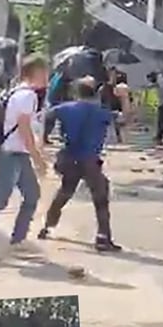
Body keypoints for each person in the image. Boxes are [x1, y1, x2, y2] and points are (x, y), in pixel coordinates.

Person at [0, 54, 50, 261]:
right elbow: (24, 129)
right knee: (0, 199)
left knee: (31, 195)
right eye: (45, 71)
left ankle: (18, 240)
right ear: (37, 72)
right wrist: (38, 158)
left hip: (16, 153)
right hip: (11, 153)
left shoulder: (16, 91)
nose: (48, 76)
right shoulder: (27, 95)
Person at [37, 77, 122, 252]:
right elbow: (126, 119)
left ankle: (47, 227)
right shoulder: (101, 112)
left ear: (76, 93)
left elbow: (43, 117)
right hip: (90, 160)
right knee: (100, 198)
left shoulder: (65, 109)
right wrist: (124, 97)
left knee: (65, 192)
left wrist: (44, 139)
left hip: (70, 158)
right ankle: (103, 238)